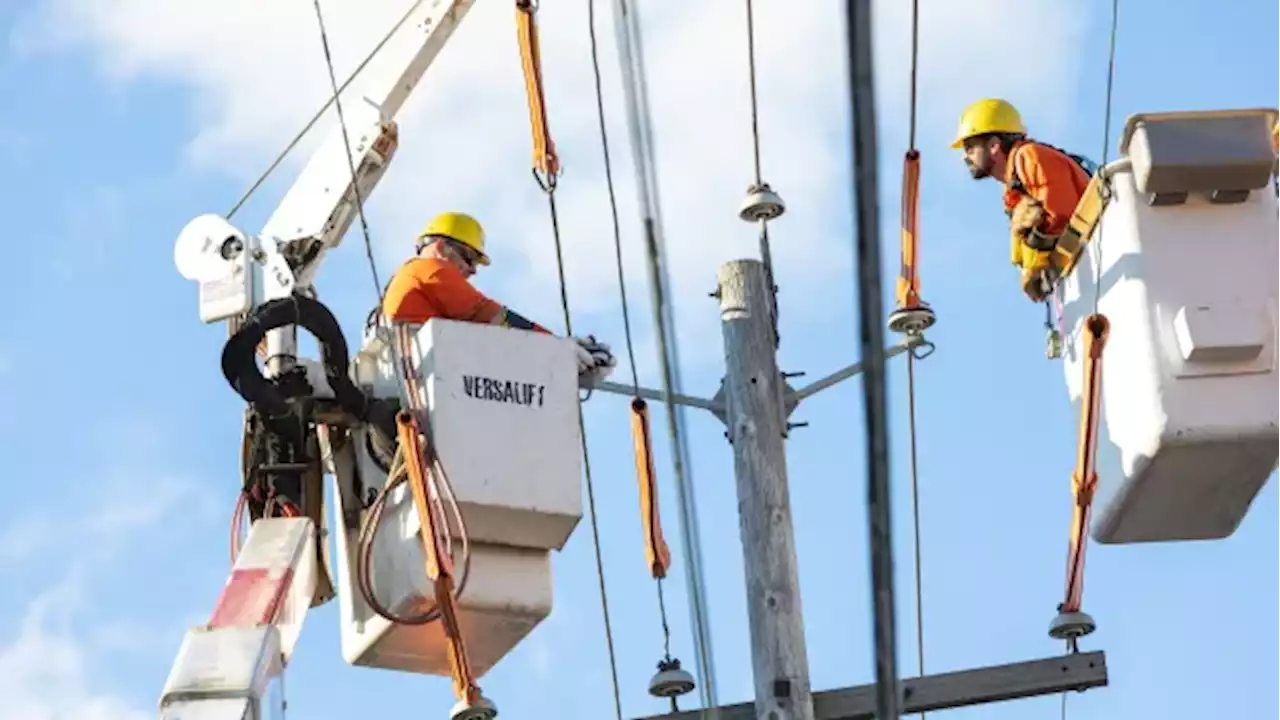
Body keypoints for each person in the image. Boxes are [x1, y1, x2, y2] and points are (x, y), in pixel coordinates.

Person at [380, 211, 616, 378]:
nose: (472, 270)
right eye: (469, 258)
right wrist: (556, 348)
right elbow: (489, 316)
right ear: (442, 248)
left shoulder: (405, 281)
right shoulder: (429, 268)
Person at [951, 98, 1092, 302]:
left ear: (993, 145)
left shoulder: (1030, 157)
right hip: (1079, 270)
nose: (965, 157)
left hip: (1091, 253)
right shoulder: (1012, 190)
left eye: (971, 148)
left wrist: (1039, 261)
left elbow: (1059, 213)